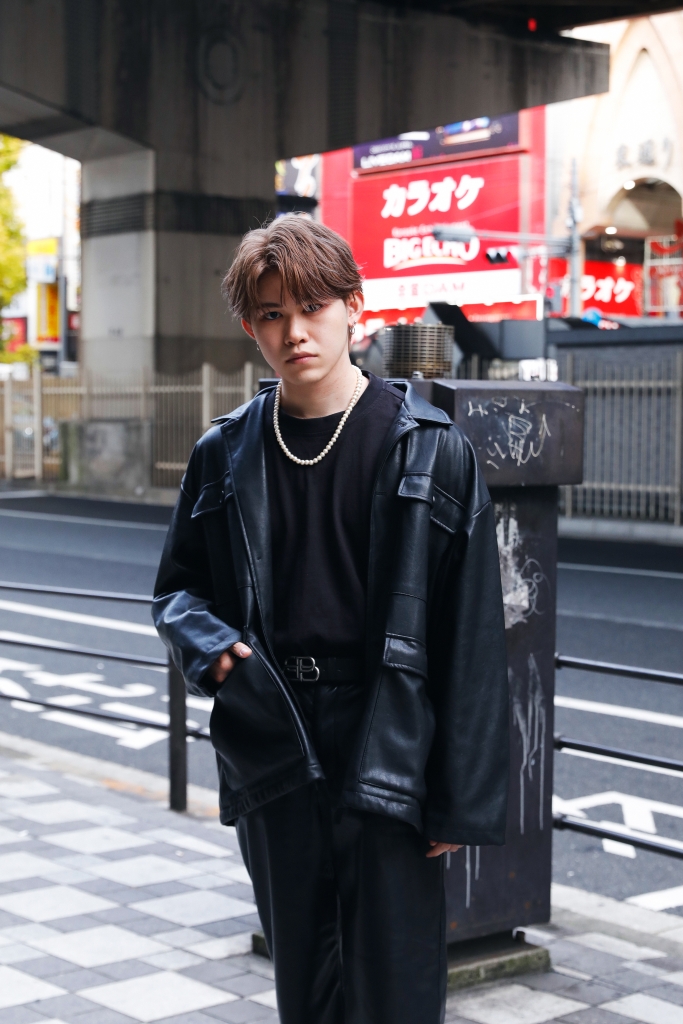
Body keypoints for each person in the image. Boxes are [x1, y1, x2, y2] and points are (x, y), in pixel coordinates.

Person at [153, 215, 509, 1024]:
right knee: (304, 985)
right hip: (274, 732)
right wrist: (214, 652)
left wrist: (456, 799)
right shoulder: (224, 452)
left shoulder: (430, 448)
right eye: (271, 314)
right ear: (250, 328)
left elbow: (470, 636)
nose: (294, 332)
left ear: (355, 306)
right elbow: (177, 591)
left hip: (389, 734)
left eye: (311, 307)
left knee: (395, 989)